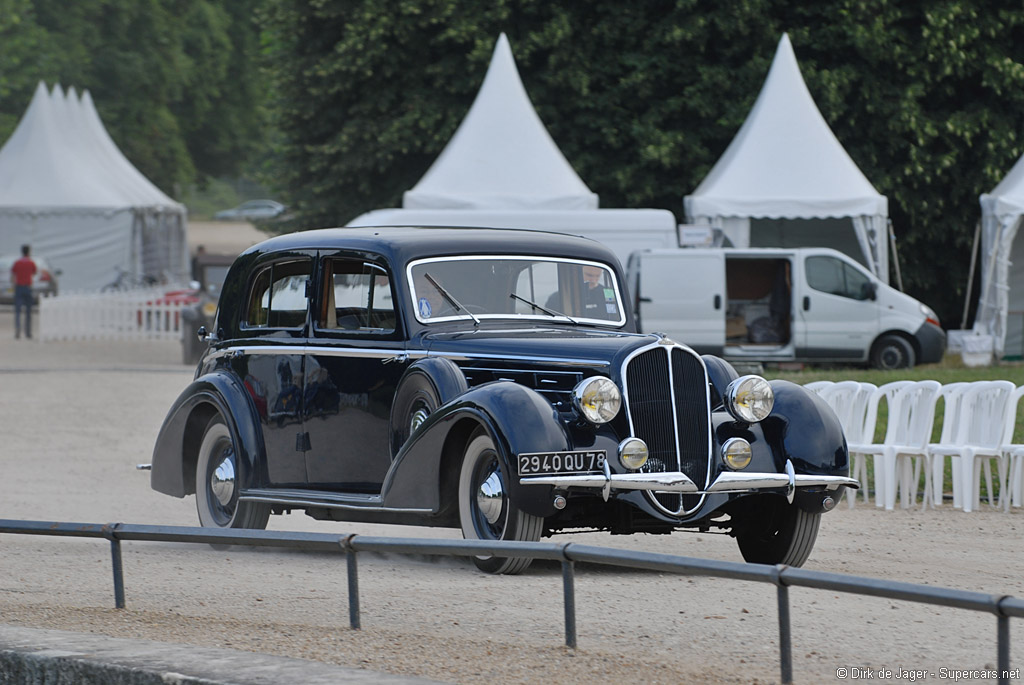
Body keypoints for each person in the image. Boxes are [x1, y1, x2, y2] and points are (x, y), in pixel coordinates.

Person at [11, 244, 37, 339]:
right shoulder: (31, 263)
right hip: (27, 287)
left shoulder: (17, 263)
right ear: (29, 252)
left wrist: (13, 285)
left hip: (19, 287)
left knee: (18, 310)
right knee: (28, 311)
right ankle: (28, 332)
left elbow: (13, 274)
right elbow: (34, 273)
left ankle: (18, 329)